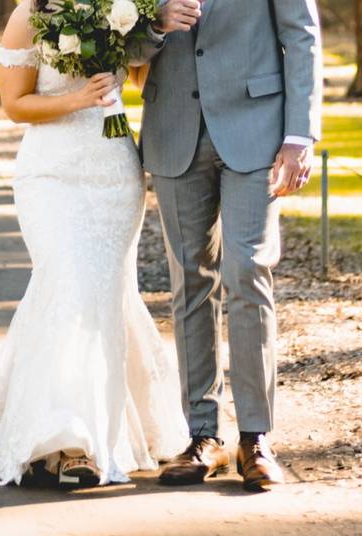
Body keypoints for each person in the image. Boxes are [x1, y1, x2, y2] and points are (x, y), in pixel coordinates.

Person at [0, 0, 190, 488]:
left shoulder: (126, 8)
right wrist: (77, 98)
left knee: (104, 294)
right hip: (51, 173)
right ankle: (66, 438)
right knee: (66, 284)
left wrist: (155, 34)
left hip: (115, 171)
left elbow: (144, 79)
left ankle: (103, 424)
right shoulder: (28, 16)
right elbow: (15, 104)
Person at [139, 0, 323, 490]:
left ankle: (255, 438)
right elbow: (121, 44)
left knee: (247, 272)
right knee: (190, 282)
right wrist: (155, 23)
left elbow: (301, 35)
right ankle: (202, 436)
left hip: (256, 130)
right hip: (174, 126)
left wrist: (300, 134)